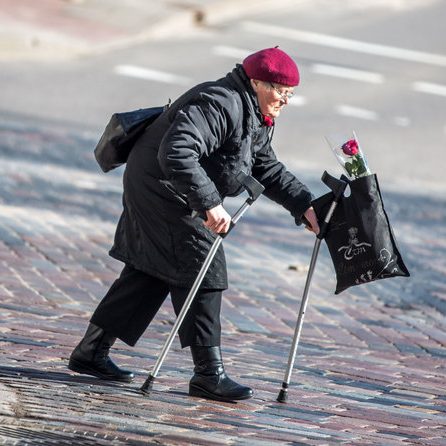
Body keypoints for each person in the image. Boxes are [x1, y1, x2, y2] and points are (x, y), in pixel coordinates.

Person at [68, 47, 319, 402]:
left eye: (290, 93)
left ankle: (91, 351)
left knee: (154, 269)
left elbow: (265, 166)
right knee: (204, 265)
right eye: (280, 91)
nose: (286, 100)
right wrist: (210, 204)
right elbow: (177, 151)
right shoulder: (222, 103)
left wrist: (305, 205)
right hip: (162, 187)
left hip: (170, 185)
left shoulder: (254, 114)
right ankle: (208, 374)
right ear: (256, 83)